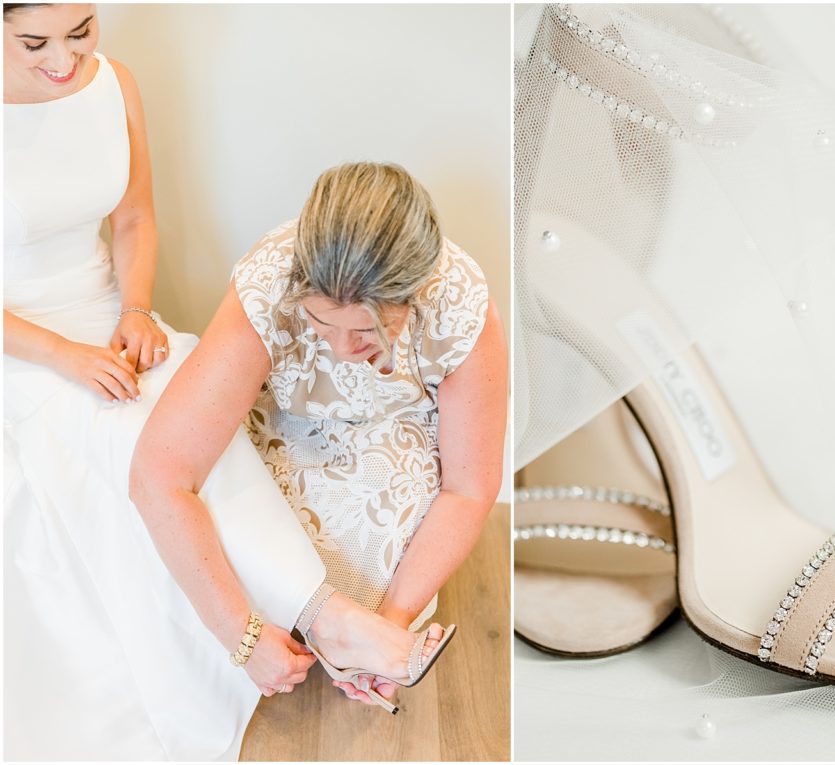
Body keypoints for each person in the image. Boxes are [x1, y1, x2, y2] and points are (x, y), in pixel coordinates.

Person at [2, 4, 485, 759]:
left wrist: (134, 309)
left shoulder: (114, 84)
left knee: (202, 425)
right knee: (134, 440)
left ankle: (334, 624)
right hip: (23, 347)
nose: (64, 59)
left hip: (108, 318)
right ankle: (328, 620)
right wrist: (65, 355)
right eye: (35, 42)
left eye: (81, 30)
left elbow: (133, 220)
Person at [132, 160, 508, 706]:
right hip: (285, 424)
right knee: (209, 536)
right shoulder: (269, 283)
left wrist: (391, 621)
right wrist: (241, 637)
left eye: (365, 333)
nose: (338, 349)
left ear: (415, 296)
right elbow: (159, 471)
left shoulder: (459, 304)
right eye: (320, 323)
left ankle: (354, 630)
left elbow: (469, 490)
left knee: (373, 576)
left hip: (395, 430)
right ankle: (332, 622)